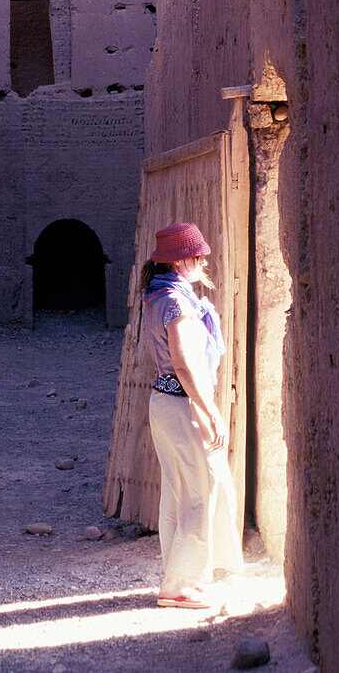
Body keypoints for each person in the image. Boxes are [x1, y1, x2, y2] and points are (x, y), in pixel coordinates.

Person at [141, 221, 243, 609]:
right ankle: (178, 585)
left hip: (165, 403)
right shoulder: (177, 302)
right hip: (183, 405)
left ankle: (179, 576)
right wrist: (209, 410)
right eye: (199, 257)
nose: (204, 263)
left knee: (178, 491)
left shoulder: (158, 295)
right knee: (202, 490)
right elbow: (184, 365)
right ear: (184, 260)